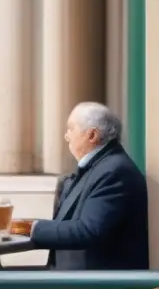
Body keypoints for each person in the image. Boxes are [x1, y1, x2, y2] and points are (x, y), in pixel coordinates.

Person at [27, 102, 149, 270]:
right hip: (74, 286)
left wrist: (32, 228)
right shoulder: (100, 167)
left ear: (92, 135)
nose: (66, 136)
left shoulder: (114, 171)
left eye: (71, 128)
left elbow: (88, 231)